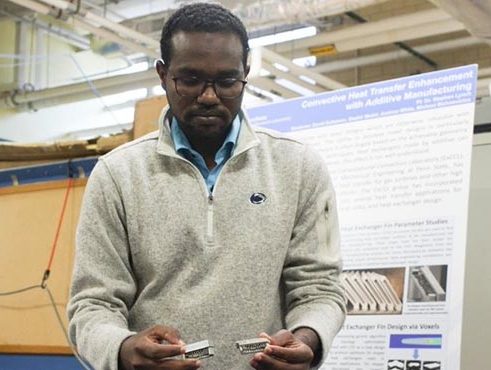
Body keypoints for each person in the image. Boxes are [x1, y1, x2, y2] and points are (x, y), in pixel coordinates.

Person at [67, 3, 345, 370]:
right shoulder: (117, 175)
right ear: (163, 75)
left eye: (227, 81)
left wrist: (308, 338)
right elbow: (92, 304)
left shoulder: (298, 167)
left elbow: (320, 288)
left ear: (245, 73)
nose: (209, 96)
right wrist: (122, 348)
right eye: (191, 80)